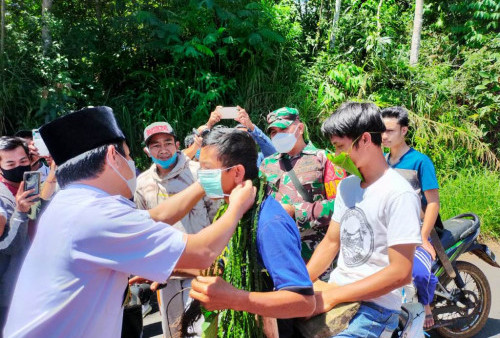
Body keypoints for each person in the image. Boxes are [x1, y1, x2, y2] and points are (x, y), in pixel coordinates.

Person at [4, 106, 256, 338]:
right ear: (113, 156)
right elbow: (202, 252)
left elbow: (156, 216)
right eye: (128, 155)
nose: (131, 162)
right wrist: (236, 206)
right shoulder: (95, 214)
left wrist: (203, 183)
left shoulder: (72, 203)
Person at [306, 102, 422, 337]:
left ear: (366, 139)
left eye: (340, 147)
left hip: (375, 308)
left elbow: (400, 273)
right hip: (336, 290)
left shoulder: (399, 194)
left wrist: (332, 296)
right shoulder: (347, 187)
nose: (337, 157)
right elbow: (330, 243)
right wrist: (300, 284)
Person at [188, 128, 315, 336]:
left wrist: (233, 298)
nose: (201, 178)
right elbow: (222, 265)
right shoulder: (229, 211)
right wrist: (171, 268)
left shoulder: (269, 222)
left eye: (207, 170)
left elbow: (303, 302)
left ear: (237, 172)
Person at [134, 121, 220, 336]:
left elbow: (218, 215)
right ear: (147, 150)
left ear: (177, 144)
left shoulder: (200, 172)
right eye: (155, 145)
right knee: (173, 330)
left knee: (202, 330)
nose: (163, 150)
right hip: (165, 272)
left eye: (168, 143)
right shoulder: (142, 182)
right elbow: (142, 226)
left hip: (199, 268)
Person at [259, 107, 345, 265]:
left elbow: (340, 205)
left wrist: (296, 212)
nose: (278, 136)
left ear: (300, 128)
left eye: (283, 129)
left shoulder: (324, 159)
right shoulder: (267, 164)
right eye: (273, 132)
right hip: (280, 252)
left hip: (317, 255)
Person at [381, 106, 440, 328]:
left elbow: (433, 202)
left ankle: (426, 306)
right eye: (382, 131)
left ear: (404, 130)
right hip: (388, 229)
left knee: (419, 274)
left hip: (416, 229)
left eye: (390, 131)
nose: (384, 136)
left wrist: (423, 237)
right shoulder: (382, 162)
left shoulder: (420, 162)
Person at [0, 137, 39, 332]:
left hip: (37, 285)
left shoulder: (32, 183)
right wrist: (21, 211)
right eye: (10, 163)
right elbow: (7, 247)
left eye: (23, 161)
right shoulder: (1, 195)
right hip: (11, 296)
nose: (18, 167)